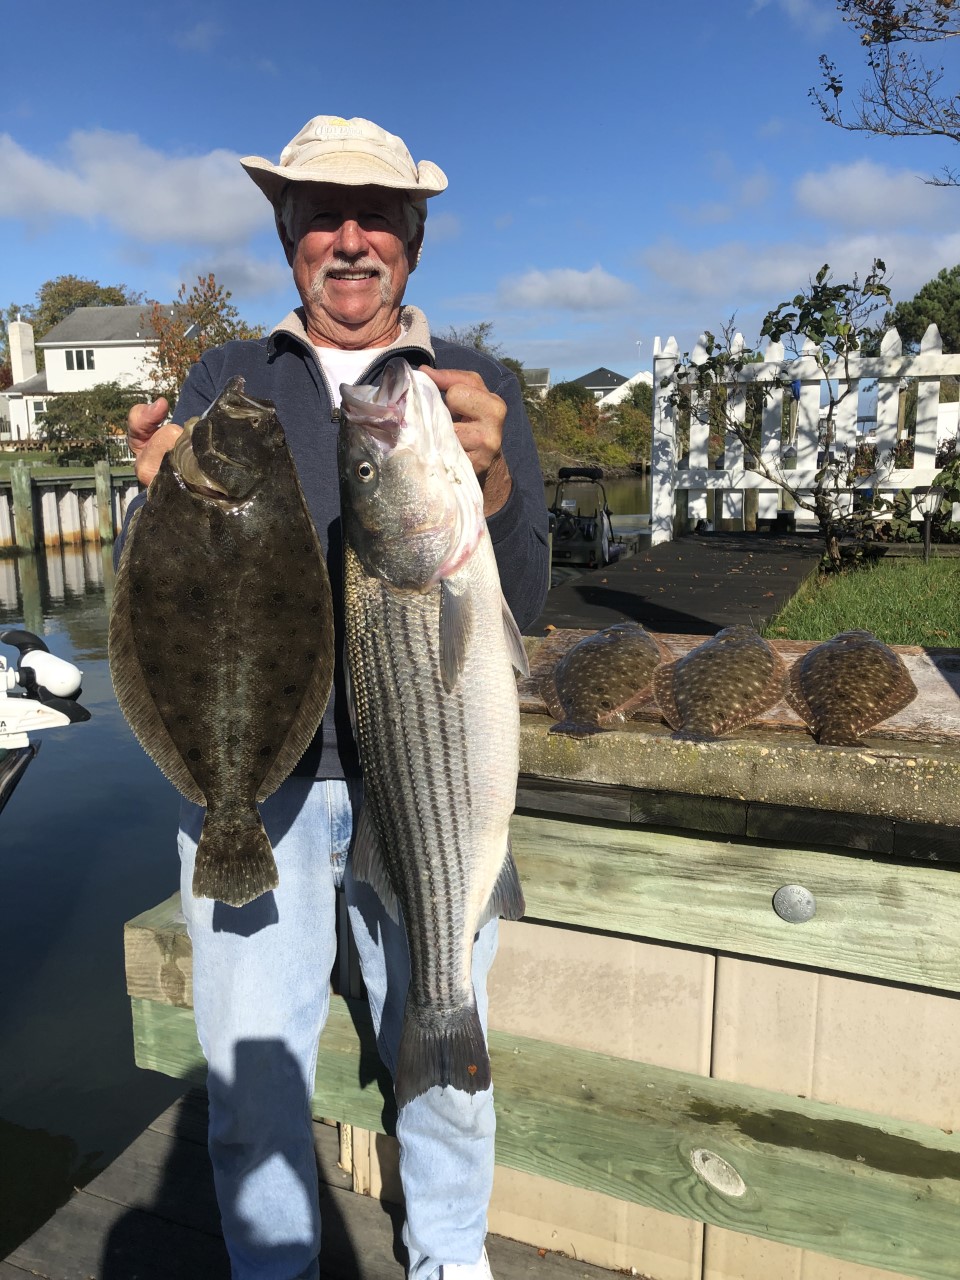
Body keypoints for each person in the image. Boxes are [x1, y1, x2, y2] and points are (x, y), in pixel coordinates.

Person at [123, 115, 550, 1280]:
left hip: (434, 779)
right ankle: (273, 1265)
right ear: (286, 232)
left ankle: (450, 1259)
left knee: (447, 1057)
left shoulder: (475, 384)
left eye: (378, 216)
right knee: (253, 1073)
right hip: (258, 784)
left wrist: (501, 481)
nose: (350, 240)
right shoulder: (227, 377)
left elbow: (527, 593)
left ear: (413, 237)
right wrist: (155, 495)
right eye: (323, 215)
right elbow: (174, 594)